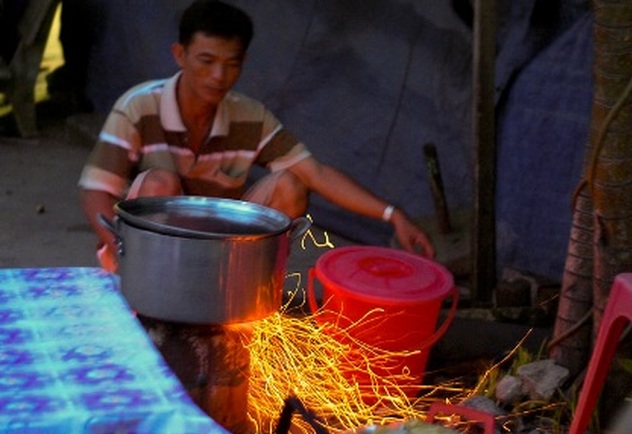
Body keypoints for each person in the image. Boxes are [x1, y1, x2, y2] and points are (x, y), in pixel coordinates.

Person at [78, 0, 434, 272]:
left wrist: (392, 214)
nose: (219, 75)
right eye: (206, 61)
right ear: (179, 55)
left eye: (231, 63)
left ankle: (241, 287)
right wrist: (117, 243)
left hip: (222, 252)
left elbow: (318, 175)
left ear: (243, 61)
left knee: (290, 185)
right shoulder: (138, 106)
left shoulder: (249, 117)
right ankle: (149, 292)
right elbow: (97, 187)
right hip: (148, 255)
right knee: (159, 183)